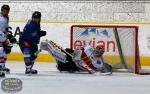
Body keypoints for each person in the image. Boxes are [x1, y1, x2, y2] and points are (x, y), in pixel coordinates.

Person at [40, 40, 113, 75]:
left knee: (62, 64)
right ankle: (48, 48)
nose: (97, 52)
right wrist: (77, 54)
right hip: (73, 55)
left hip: (75, 65)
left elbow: (89, 68)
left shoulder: (99, 62)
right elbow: (79, 48)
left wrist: (82, 63)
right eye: (97, 49)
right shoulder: (89, 47)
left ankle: (56, 58)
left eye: (100, 52)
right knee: (65, 53)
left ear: (102, 53)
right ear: (95, 48)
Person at [0, 5, 16, 77]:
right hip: (1, 36)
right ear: (1, 10)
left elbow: (5, 28)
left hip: (3, 36)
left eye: (7, 10)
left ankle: (2, 66)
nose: (6, 12)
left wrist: (9, 34)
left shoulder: (6, 17)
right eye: (4, 10)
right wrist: (6, 35)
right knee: (1, 49)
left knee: (7, 50)